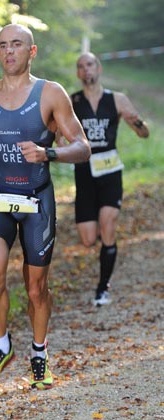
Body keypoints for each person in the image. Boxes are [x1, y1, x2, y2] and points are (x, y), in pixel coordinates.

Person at [0, 23, 90, 389]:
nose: (9, 52)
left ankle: (39, 352)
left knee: (36, 288)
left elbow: (83, 147)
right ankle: (1, 344)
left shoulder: (51, 95)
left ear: (32, 51)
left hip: (36, 198)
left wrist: (48, 153)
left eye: (17, 45)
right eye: (3, 46)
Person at [58, 52, 149, 307]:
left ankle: (102, 287)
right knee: (88, 238)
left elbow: (144, 133)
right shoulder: (72, 101)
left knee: (108, 223)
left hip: (110, 170)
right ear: (78, 73)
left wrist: (137, 122)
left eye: (89, 65)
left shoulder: (117, 99)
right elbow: (60, 134)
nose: (86, 70)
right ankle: (104, 246)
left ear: (98, 69)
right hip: (85, 172)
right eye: (80, 67)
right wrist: (59, 142)